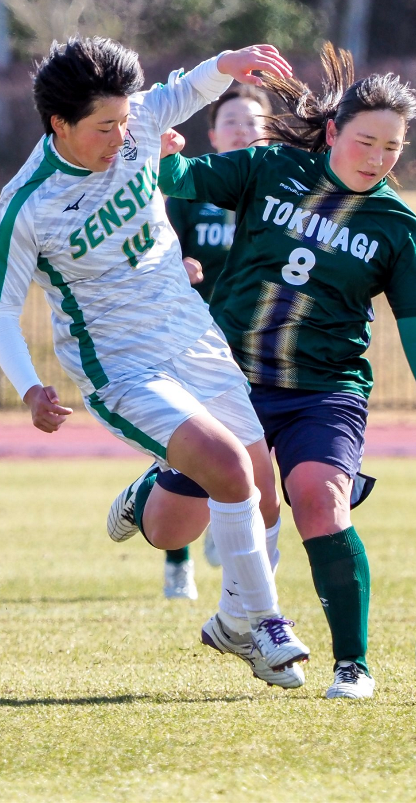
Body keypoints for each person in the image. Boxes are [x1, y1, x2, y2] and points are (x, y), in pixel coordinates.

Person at [111, 44, 416, 700]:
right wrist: (164, 155)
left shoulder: (398, 227)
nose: (376, 157)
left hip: (325, 393)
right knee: (172, 529)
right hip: (233, 380)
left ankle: (352, 666)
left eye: (392, 148)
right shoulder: (269, 168)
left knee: (318, 499)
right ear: (335, 131)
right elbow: (178, 183)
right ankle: (149, 491)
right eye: (366, 140)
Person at [0, 35, 312, 679]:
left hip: (192, 337)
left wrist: (228, 66)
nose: (120, 136)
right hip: (121, 367)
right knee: (225, 468)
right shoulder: (28, 205)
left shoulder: (137, 128)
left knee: (259, 485)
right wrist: (28, 389)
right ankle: (267, 626)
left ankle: (234, 621)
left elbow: (184, 91)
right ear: (59, 124)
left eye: (125, 121)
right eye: (105, 127)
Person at [157, 84, 273, 600]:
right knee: (182, 443)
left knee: (248, 446)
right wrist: (175, 268)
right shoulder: (193, 186)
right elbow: (158, 243)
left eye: (252, 120)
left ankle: (227, 525)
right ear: (212, 133)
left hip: (253, 341)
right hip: (191, 336)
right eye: (230, 121)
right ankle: (177, 558)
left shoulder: (279, 189)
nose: (242, 129)